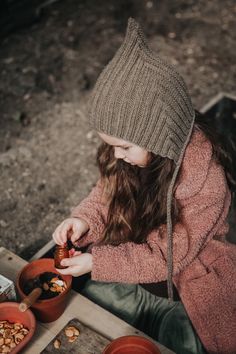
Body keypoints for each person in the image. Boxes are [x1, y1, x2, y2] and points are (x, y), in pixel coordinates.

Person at [52, 18, 236, 354]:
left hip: (188, 287)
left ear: (158, 139)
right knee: (85, 305)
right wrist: (85, 219)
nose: (118, 156)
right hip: (137, 275)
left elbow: (170, 256)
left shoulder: (206, 180)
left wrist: (99, 262)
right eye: (112, 146)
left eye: (124, 147)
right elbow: (105, 195)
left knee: (185, 343)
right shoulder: (129, 159)